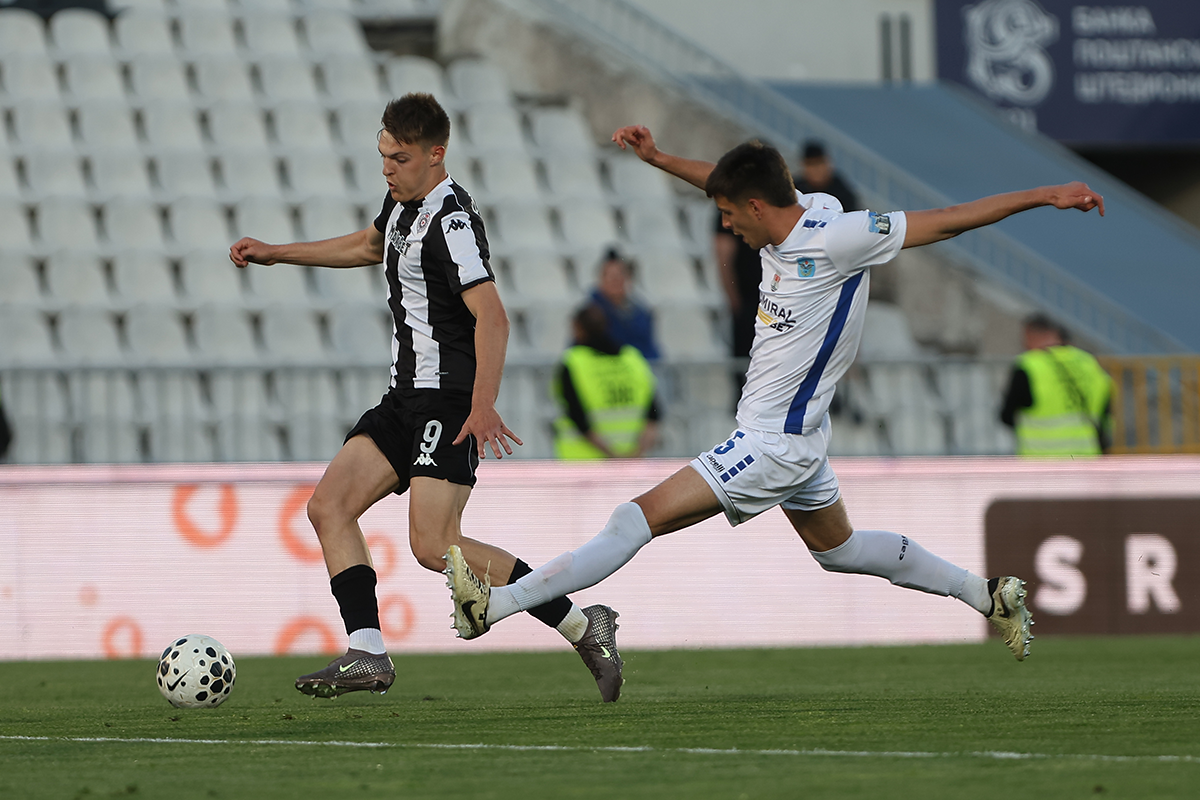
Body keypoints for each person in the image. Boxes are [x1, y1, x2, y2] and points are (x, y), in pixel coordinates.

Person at [445, 124, 1107, 683]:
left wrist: (1046, 195)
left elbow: (945, 222)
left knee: (632, 519)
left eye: (730, 214)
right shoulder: (798, 208)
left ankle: (496, 607)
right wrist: (657, 158)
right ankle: (983, 593)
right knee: (839, 550)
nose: (726, 225)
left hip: (772, 441)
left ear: (758, 206)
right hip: (799, 437)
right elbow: (722, 178)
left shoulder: (838, 236)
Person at [228, 93, 624, 703]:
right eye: (382, 155)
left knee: (433, 546)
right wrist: (278, 253)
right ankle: (368, 653)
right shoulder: (401, 202)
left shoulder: (450, 220)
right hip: (403, 397)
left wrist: (483, 402)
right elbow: (367, 245)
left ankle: (582, 625)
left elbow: (491, 315)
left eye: (400, 158)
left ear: (436, 155)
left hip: (447, 400)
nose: (387, 168)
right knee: (329, 507)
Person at [553, 303, 660, 459]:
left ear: (577, 328)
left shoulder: (573, 362)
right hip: (632, 463)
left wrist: (614, 457)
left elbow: (577, 417)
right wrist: (636, 455)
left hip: (583, 463)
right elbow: (653, 415)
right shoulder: (632, 358)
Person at [1000, 313, 1112, 456]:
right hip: (1086, 457)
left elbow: (1006, 415)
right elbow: (1106, 409)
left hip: (1042, 461)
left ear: (1031, 334)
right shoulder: (1088, 362)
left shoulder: (1029, 365)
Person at [588, 249, 661, 361]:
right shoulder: (588, 316)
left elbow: (650, 351)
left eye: (620, 275)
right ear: (601, 279)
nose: (616, 281)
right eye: (611, 276)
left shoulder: (641, 314)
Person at [792, 140, 859, 213]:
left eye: (819, 163)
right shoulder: (796, 189)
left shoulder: (842, 192)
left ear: (827, 163)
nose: (815, 169)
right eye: (811, 164)